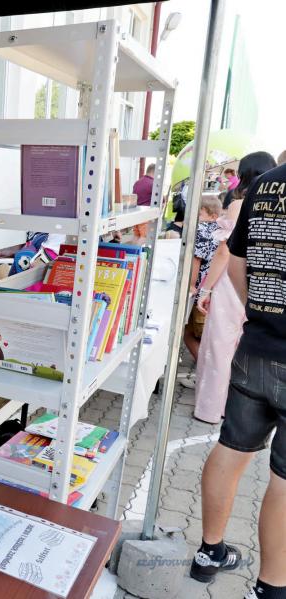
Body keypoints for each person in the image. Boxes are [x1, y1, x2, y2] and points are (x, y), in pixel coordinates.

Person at [191, 155, 286, 599]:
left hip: (256, 346)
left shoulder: (264, 185)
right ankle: (271, 589)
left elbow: (235, 260)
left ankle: (209, 551)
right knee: (283, 480)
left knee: (231, 448)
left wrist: (258, 311)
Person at [193, 152, 278, 421]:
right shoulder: (275, 205)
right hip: (261, 282)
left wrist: (205, 289)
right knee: (242, 346)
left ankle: (211, 408)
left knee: (220, 346)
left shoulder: (240, 204)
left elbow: (224, 252)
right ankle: (236, 408)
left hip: (232, 280)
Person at [180, 194, 222, 380]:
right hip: (215, 289)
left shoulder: (201, 229)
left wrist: (190, 285)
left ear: (212, 215)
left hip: (200, 291)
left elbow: (195, 260)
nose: (196, 218)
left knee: (190, 333)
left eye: (200, 214)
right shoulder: (221, 230)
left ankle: (208, 375)